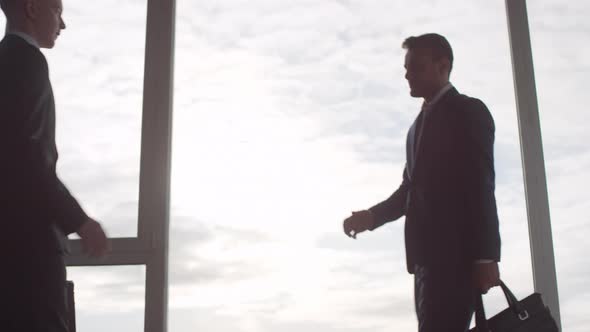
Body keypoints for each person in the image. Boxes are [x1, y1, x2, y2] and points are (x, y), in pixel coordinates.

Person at [342, 33, 501, 332]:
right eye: (406, 67)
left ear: (444, 66)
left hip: (457, 261)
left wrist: (486, 256)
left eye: (416, 66)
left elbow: (481, 184)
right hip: (425, 262)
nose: (407, 74)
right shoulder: (416, 129)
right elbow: (409, 191)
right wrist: (372, 217)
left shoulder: (468, 111)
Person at [0, 0, 109, 330]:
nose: (62, 24)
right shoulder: (27, 62)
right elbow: (25, 157)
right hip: (28, 249)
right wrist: (79, 221)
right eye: (58, 10)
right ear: (33, 8)